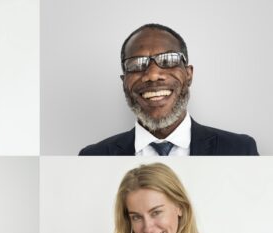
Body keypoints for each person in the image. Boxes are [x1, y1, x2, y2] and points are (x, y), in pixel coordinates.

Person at [80, 23, 258, 156]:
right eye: (136, 64)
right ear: (124, 82)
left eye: (168, 60)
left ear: (188, 75)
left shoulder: (240, 150)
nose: (152, 75)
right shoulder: (93, 157)